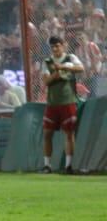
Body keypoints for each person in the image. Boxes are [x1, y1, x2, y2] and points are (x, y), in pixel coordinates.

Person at [41, 35, 84, 174]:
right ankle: (47, 166)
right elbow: (46, 81)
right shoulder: (47, 61)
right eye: (52, 46)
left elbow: (81, 68)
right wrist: (57, 74)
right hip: (52, 103)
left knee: (69, 134)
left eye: (57, 45)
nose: (55, 49)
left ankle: (68, 166)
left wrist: (63, 67)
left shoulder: (70, 58)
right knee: (47, 134)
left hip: (68, 101)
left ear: (63, 45)